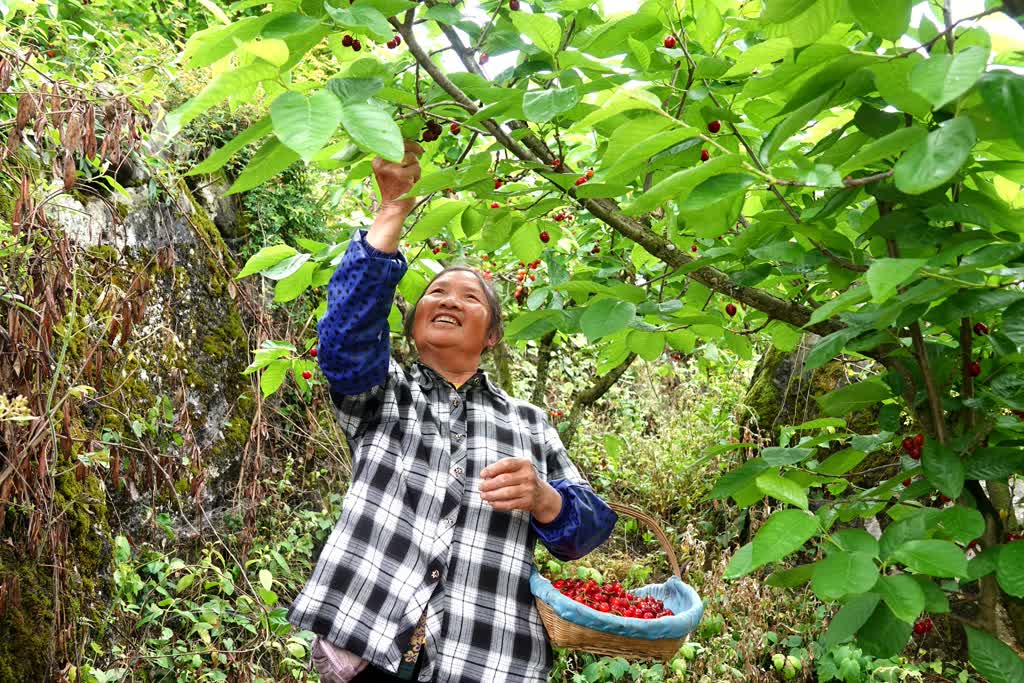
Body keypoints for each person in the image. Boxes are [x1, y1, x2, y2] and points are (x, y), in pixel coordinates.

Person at [287, 140, 618, 683]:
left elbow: (589, 530)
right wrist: (392, 207)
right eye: (436, 292)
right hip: (370, 647)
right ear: (414, 325)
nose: (447, 300)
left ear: (490, 337)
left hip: (488, 657)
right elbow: (344, 337)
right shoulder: (384, 392)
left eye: (469, 298)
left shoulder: (528, 422)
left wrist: (544, 499)